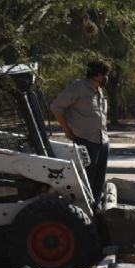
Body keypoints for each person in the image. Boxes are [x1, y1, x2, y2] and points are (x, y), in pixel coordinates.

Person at [50, 60, 112, 204]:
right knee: (86, 180)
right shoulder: (78, 87)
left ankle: (95, 208)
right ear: (97, 75)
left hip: (102, 140)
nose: (106, 78)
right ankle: (83, 208)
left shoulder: (98, 89)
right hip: (86, 141)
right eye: (105, 74)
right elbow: (56, 107)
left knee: (99, 180)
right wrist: (66, 129)